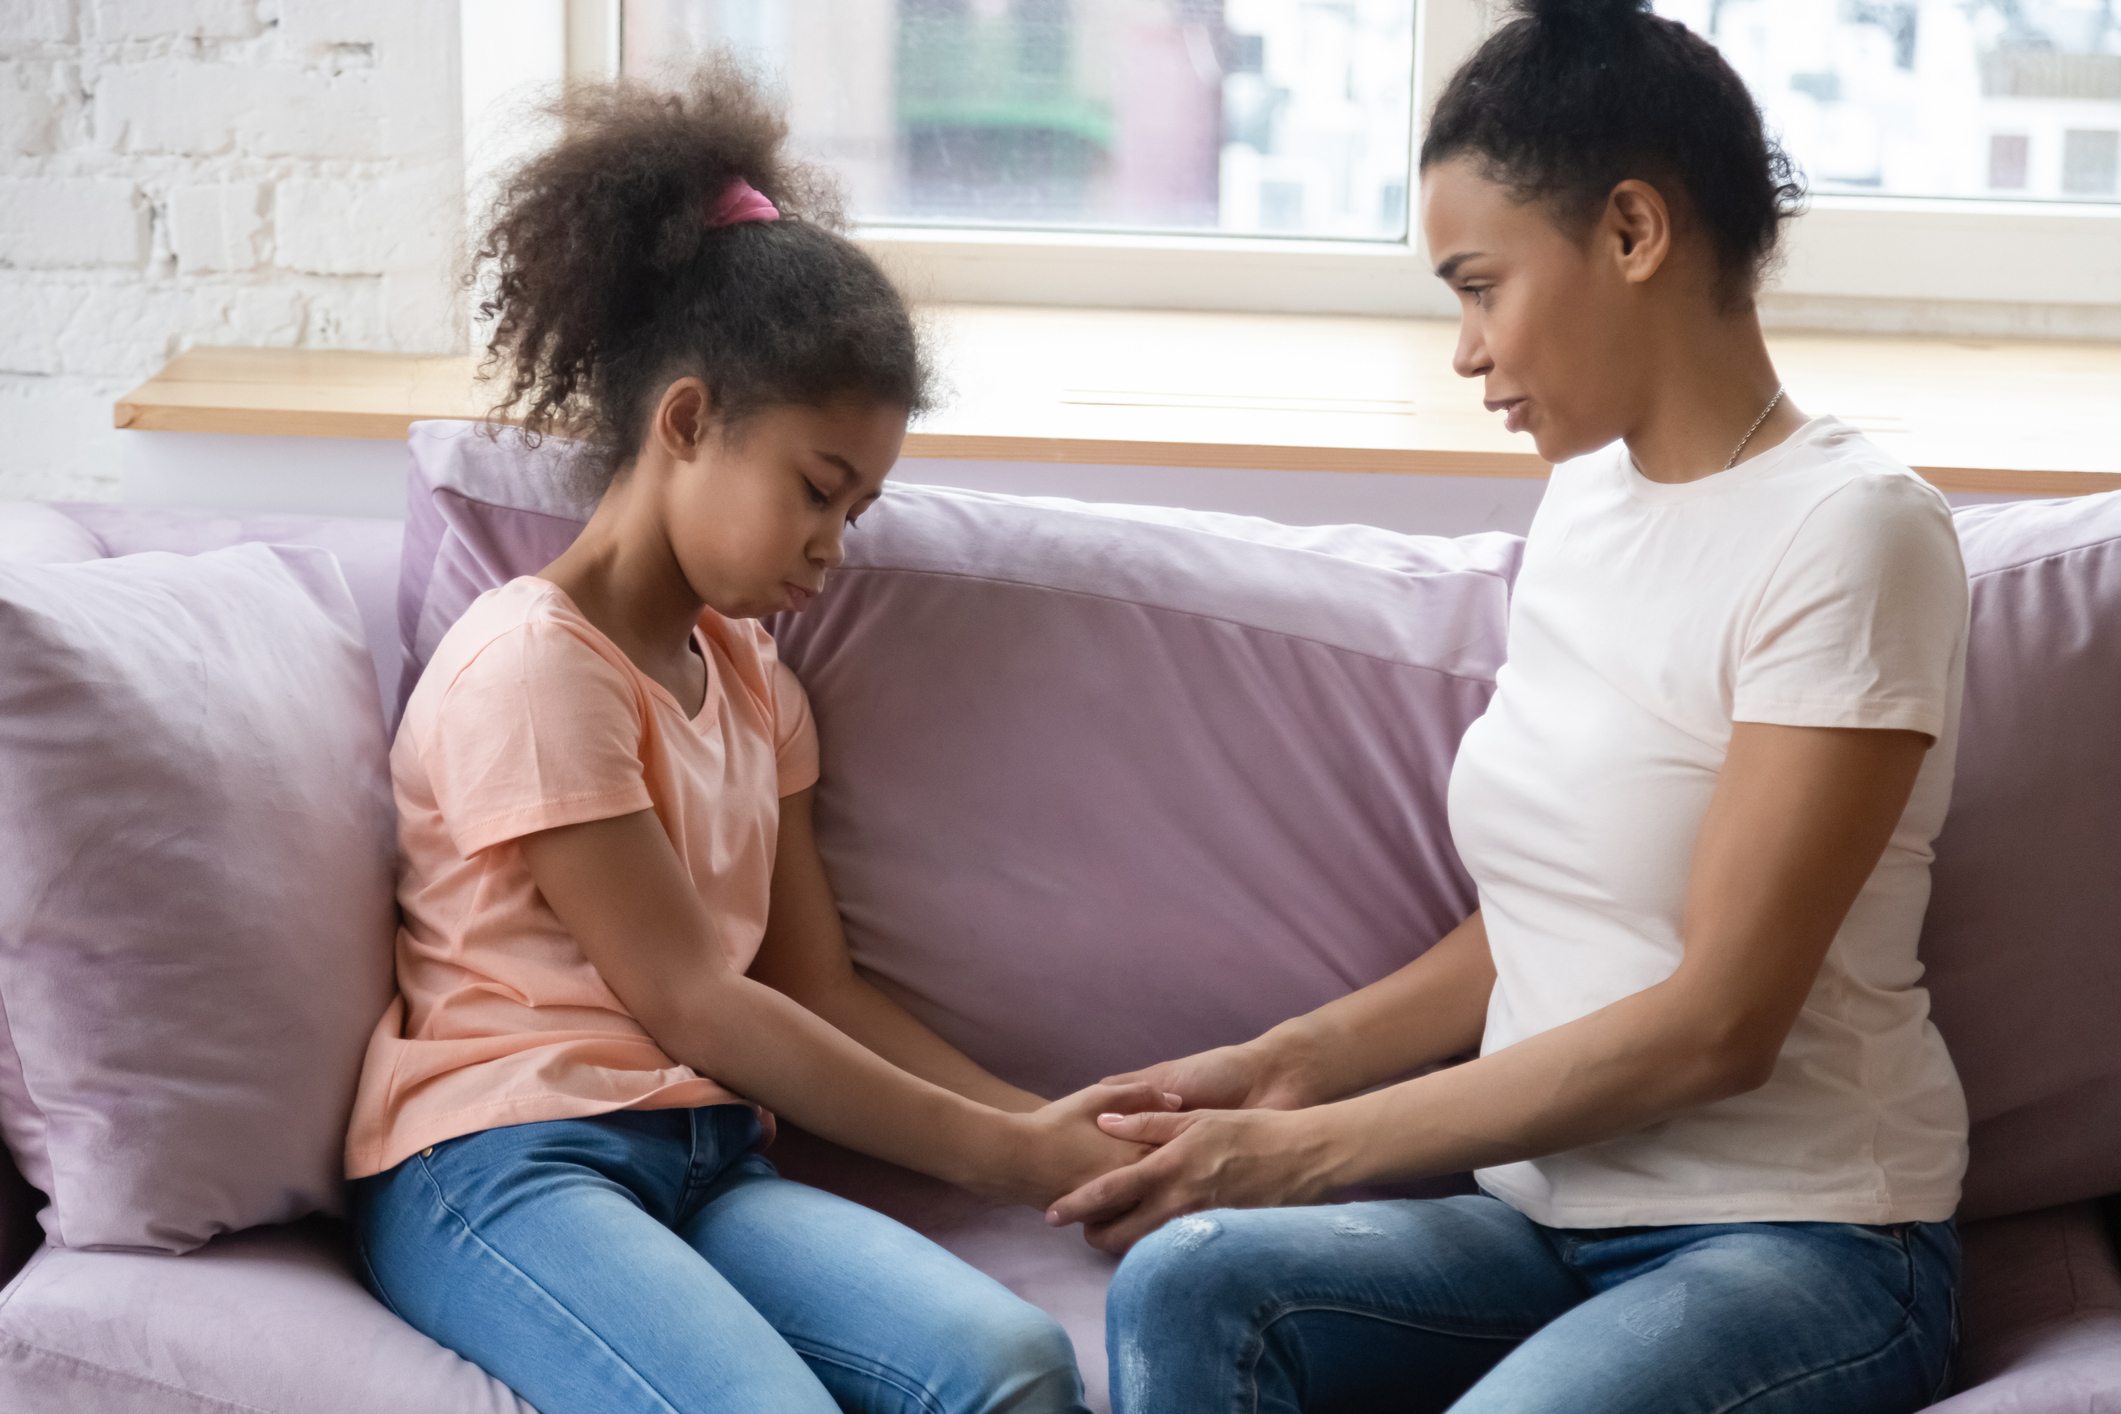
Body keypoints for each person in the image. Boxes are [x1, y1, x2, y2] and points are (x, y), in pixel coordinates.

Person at [1053, 3, 1969, 1410]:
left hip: (1802, 1236)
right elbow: (1551, 911)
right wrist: (1281, 1065)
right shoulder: (1585, 500)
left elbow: (1718, 1021)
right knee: (1192, 1283)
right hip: (1545, 1225)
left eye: (1480, 286)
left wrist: (1302, 1152)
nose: (1466, 351)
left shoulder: (1850, 533)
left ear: (1630, 232)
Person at [342, 64, 1171, 1414]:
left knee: (1013, 1367)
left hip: (707, 1154)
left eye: (858, 510)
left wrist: (1048, 1128)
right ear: (684, 422)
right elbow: (696, 997)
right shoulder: (533, 665)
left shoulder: (752, 679)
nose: (831, 548)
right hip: (501, 1156)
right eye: (816, 491)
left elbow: (818, 988)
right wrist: (1002, 1157)